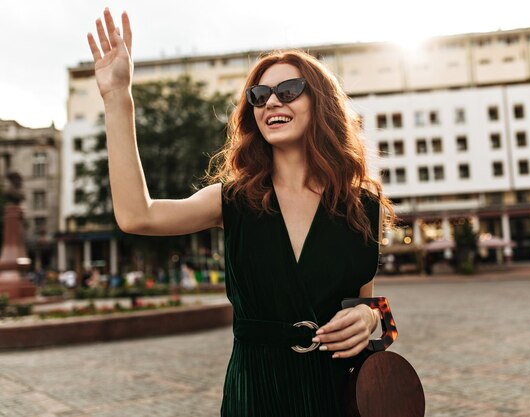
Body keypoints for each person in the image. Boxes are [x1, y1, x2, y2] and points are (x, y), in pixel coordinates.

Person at [87, 8, 395, 416]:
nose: (271, 101)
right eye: (259, 95)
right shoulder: (231, 200)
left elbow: (372, 310)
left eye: (288, 90)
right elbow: (136, 215)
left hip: (335, 393)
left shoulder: (362, 207)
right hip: (256, 395)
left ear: (319, 103)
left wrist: (371, 321)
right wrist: (117, 98)